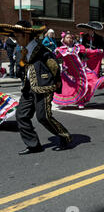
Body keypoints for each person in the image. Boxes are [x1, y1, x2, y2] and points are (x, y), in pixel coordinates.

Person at [0, 21, 72, 154]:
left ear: (26, 35)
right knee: (21, 116)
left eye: (18, 36)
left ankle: (65, 136)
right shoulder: (22, 50)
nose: (16, 40)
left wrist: (56, 83)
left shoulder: (43, 50)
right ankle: (34, 145)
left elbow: (55, 67)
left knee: (43, 117)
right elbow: (22, 69)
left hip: (43, 87)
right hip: (28, 89)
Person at [53, 31, 104, 109]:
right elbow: (54, 56)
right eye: (67, 38)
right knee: (67, 88)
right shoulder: (60, 49)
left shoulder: (78, 47)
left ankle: (81, 101)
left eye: (71, 38)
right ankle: (64, 102)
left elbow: (88, 51)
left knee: (82, 85)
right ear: (63, 39)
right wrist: (55, 52)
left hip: (79, 70)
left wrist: (98, 51)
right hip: (68, 72)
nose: (69, 39)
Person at [78, 22, 104, 97]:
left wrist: (100, 50)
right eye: (88, 30)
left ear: (93, 30)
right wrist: (82, 56)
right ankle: (88, 91)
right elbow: (82, 48)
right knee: (87, 75)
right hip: (87, 60)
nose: (89, 31)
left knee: (99, 75)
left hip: (96, 60)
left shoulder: (99, 38)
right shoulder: (84, 37)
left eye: (90, 30)